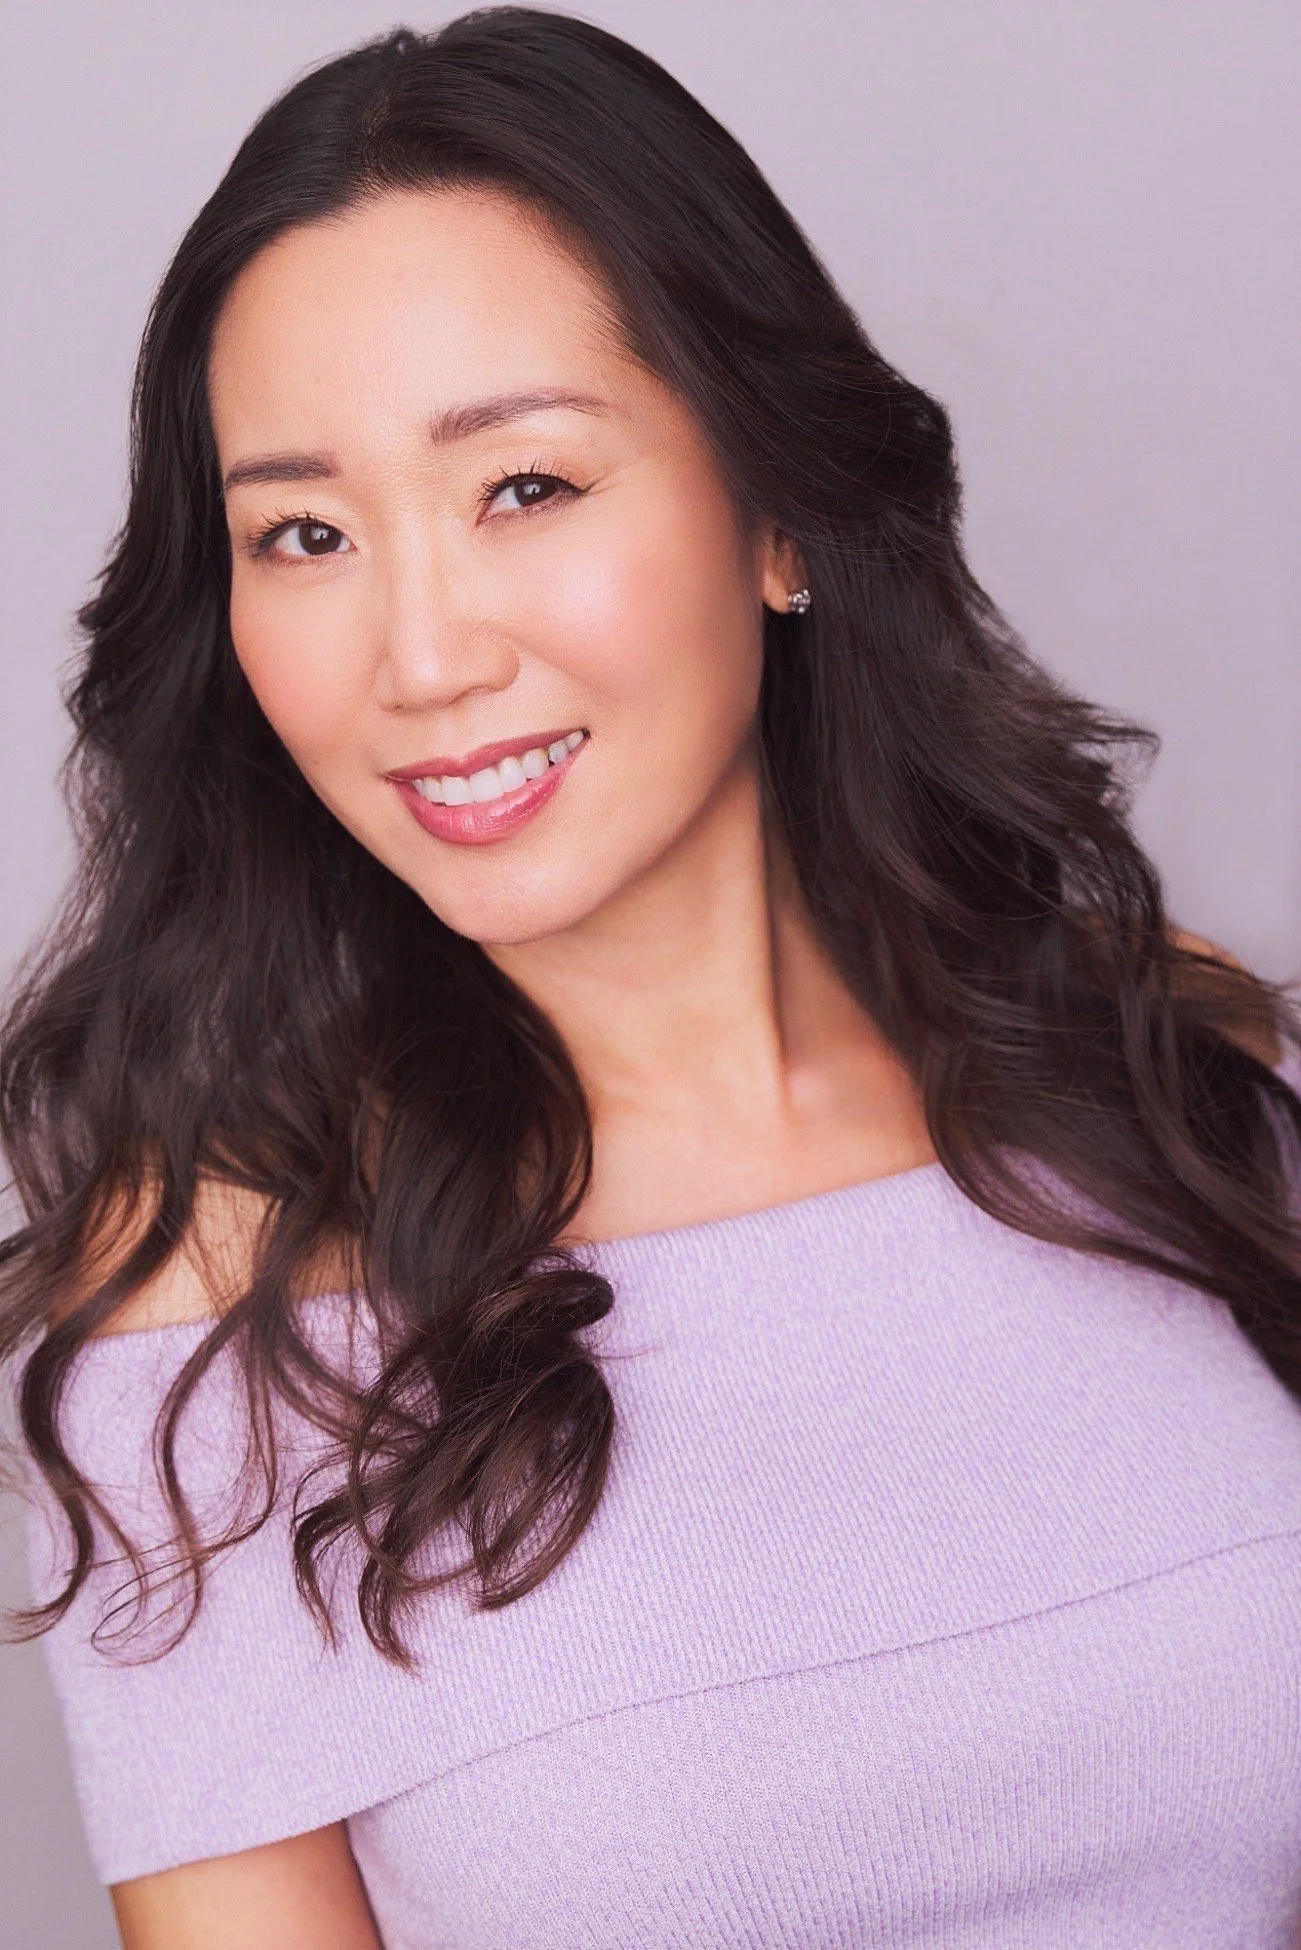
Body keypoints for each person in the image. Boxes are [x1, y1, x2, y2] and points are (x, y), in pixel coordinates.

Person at [4, 10, 1301, 1947]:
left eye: (523, 486)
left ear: (774, 512)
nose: (419, 651)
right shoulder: (211, 1292)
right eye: (303, 533)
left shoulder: (1161, 1066)